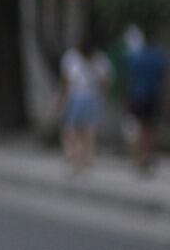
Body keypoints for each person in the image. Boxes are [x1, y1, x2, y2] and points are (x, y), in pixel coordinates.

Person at [59, 39, 112, 175]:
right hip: (92, 97)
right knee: (87, 130)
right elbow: (105, 82)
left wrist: (61, 101)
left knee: (75, 130)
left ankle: (77, 159)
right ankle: (86, 159)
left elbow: (66, 82)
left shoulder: (71, 58)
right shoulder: (100, 59)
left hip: (77, 96)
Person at [122, 26, 166, 175]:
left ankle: (136, 158)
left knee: (137, 128)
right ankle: (148, 157)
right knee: (151, 129)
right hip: (153, 96)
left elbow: (129, 78)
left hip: (138, 96)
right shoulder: (158, 57)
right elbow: (163, 78)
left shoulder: (136, 57)